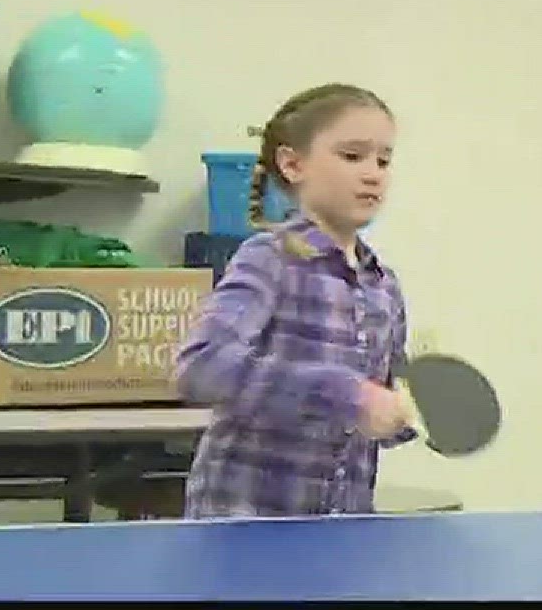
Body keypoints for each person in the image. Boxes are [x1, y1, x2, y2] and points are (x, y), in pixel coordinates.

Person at [175, 83, 418, 518]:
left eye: (384, 160)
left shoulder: (385, 286)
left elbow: (381, 401)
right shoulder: (270, 258)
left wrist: (404, 414)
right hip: (244, 527)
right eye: (352, 156)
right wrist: (344, 394)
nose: (373, 172)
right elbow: (203, 367)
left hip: (339, 530)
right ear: (292, 164)